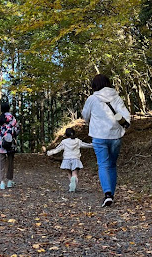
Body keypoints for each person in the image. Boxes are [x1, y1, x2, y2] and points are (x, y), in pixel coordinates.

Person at [82, 74, 130, 207]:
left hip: (98, 136)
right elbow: (126, 115)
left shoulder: (92, 99)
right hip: (115, 136)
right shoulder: (116, 97)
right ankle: (111, 195)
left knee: (103, 165)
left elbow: (85, 116)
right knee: (112, 165)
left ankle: (107, 194)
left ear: (95, 85)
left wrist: (91, 121)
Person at [46, 127, 93, 192]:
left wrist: (50, 152)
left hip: (66, 159)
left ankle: (71, 184)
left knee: (69, 173)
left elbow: (58, 149)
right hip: (75, 159)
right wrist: (93, 145)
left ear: (66, 135)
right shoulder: (77, 141)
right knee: (75, 174)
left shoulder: (64, 142)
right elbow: (85, 145)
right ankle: (74, 181)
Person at [0, 100, 20, 190]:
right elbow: (17, 131)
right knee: (10, 162)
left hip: (0, 144)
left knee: (0, 162)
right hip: (10, 143)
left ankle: (2, 183)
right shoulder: (13, 119)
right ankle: (9, 181)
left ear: (1, 109)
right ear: (9, 108)